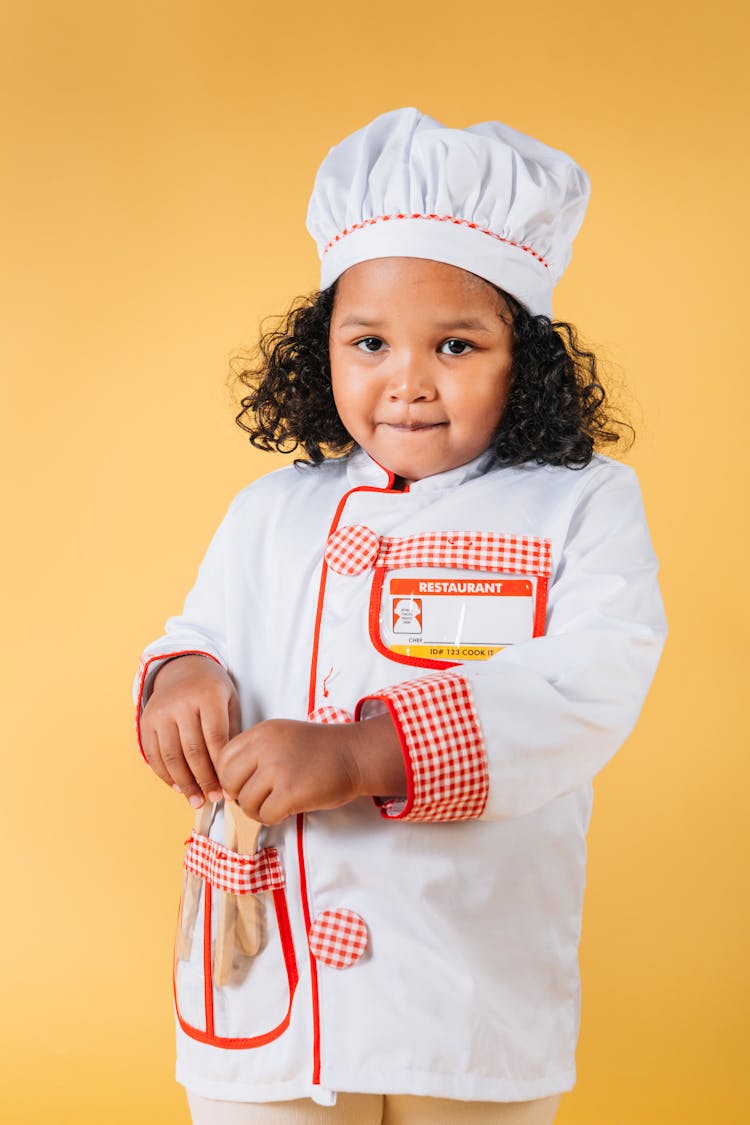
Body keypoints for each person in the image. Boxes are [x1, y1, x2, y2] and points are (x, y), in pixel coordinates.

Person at [134, 107, 667, 1125]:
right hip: (266, 975)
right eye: (369, 340)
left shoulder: (580, 502)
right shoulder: (272, 511)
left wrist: (369, 752)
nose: (408, 381)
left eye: (456, 344)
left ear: (528, 358)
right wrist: (180, 680)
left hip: (463, 981)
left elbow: (590, 683)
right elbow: (199, 632)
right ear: (320, 348)